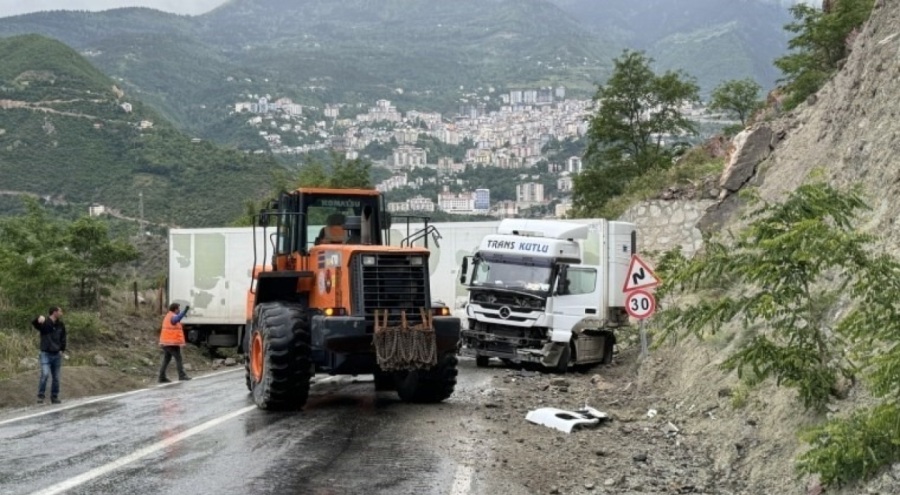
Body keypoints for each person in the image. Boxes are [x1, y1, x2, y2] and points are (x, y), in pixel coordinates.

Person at [31, 306, 67, 404]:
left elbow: (63, 337)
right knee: (45, 374)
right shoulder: (45, 323)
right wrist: (39, 317)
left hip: (57, 354)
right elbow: (34, 323)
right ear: (54, 312)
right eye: (60, 311)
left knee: (56, 377)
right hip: (45, 353)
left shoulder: (61, 325)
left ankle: (54, 397)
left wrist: (62, 349)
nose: (61, 313)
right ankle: (41, 395)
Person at [158, 303, 192, 383]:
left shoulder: (169, 315)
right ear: (175, 309)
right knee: (178, 359)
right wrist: (185, 311)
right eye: (178, 309)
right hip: (171, 343)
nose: (179, 310)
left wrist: (183, 313)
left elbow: (177, 318)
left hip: (166, 343)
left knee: (166, 359)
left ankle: (161, 377)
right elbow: (176, 319)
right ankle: (182, 375)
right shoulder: (172, 317)